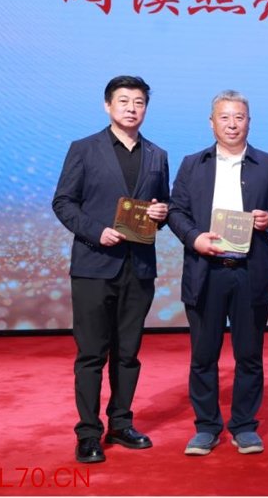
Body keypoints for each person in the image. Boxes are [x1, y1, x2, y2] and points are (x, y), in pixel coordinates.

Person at [52, 75, 170, 464]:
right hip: (93, 265)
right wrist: (95, 231)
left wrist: (162, 212)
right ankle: (88, 433)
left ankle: (121, 423)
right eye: (124, 101)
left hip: (139, 267)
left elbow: (163, 205)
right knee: (91, 354)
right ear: (107, 105)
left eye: (139, 102)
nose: (132, 108)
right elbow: (63, 202)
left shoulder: (157, 154)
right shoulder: (84, 148)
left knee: (128, 354)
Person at [167, 90, 268, 456]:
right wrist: (195, 238)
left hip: (250, 271)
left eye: (239, 117)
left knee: (249, 355)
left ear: (249, 121)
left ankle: (245, 426)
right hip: (206, 271)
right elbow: (175, 211)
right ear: (212, 122)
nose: (232, 124)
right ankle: (206, 427)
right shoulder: (193, 164)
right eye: (224, 117)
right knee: (204, 355)